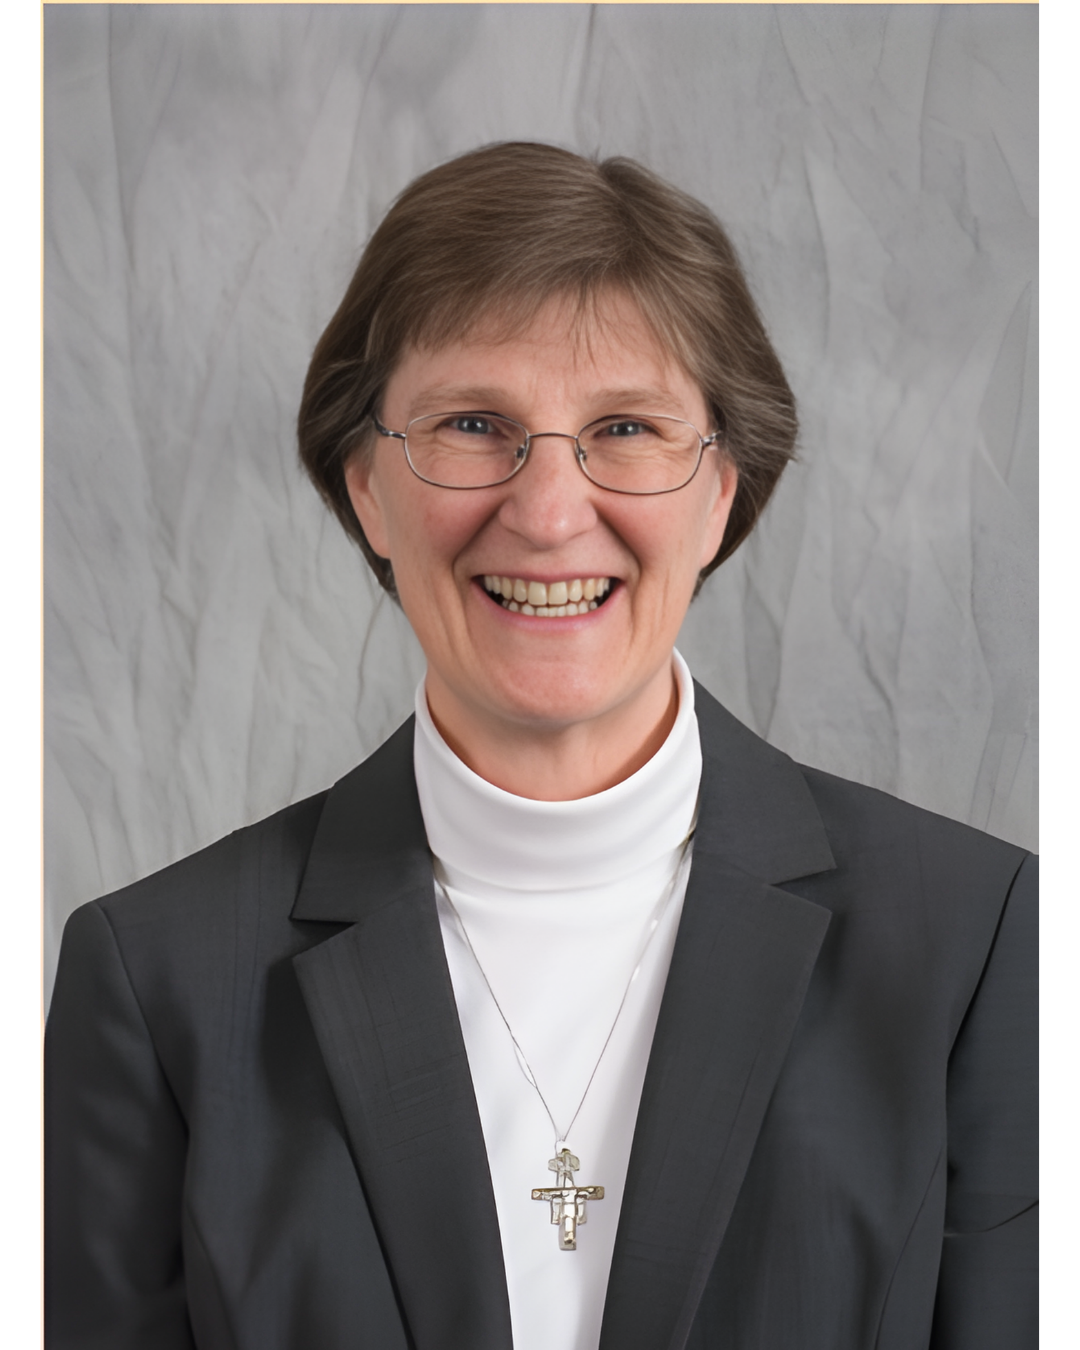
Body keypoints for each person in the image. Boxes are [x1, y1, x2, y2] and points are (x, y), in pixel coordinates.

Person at [45, 143, 1038, 1350]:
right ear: (365, 483)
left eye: (624, 426)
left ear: (724, 487)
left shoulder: (978, 947)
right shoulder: (158, 987)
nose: (551, 511)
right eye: (474, 424)